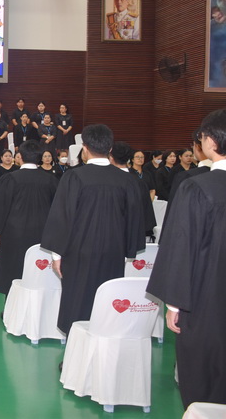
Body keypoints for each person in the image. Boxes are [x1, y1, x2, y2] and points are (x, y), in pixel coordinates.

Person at [146, 109, 226, 408]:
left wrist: (174, 304)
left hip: (206, 300)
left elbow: (181, 245)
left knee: (205, 380)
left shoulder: (196, 187)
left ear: (210, 141)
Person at [41, 124, 145, 337]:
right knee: (107, 299)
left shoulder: (74, 177)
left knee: (77, 298)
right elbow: (134, 217)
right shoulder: (126, 179)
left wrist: (56, 255)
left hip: (79, 252)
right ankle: (103, 346)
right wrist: (129, 251)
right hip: (113, 251)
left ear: (85, 148)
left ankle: (76, 348)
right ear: (110, 149)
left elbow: (62, 216)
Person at [0, 140, 58, 298]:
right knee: (38, 274)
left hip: (13, 233)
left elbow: (0, 206)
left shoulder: (9, 179)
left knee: (13, 271)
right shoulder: (50, 180)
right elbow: (57, 209)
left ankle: (11, 308)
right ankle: (37, 307)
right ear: (39, 158)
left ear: (20, 157)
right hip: (42, 235)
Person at [168, 135, 212, 206]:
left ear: (197, 147)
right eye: (186, 156)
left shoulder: (193, 170)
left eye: (190, 156)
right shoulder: (175, 170)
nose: (189, 158)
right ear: (180, 157)